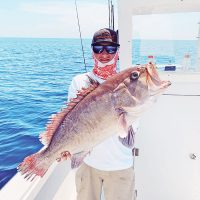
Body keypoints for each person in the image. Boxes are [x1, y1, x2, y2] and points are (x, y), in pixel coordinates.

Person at [67, 28, 139, 200]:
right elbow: (71, 122)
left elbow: (130, 132)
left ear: (118, 52)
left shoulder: (127, 82)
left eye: (110, 49)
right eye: (99, 48)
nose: (104, 54)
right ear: (92, 51)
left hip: (120, 165)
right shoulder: (79, 82)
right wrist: (69, 148)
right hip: (88, 163)